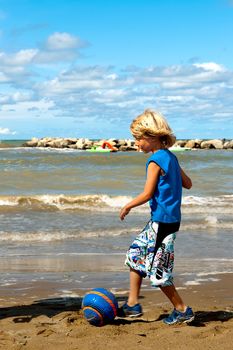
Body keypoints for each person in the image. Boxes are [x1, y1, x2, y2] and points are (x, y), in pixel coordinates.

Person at [119, 109, 194, 325]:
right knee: (136, 255)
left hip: (163, 222)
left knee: (159, 271)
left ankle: (182, 310)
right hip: (162, 221)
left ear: (151, 136)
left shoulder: (155, 161)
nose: (136, 144)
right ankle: (132, 304)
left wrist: (127, 206)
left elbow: (147, 193)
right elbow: (188, 183)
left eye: (137, 139)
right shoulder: (170, 157)